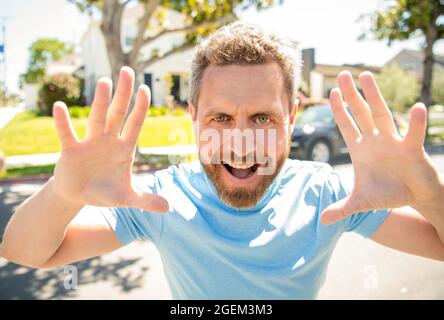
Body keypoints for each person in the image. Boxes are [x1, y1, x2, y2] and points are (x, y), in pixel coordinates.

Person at [1, 22, 443, 299]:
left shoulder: (327, 194)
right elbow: (25, 252)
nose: (241, 142)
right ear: (193, 115)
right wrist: (62, 193)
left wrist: (427, 194)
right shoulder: (159, 199)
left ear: (291, 117)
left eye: (263, 118)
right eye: (221, 118)